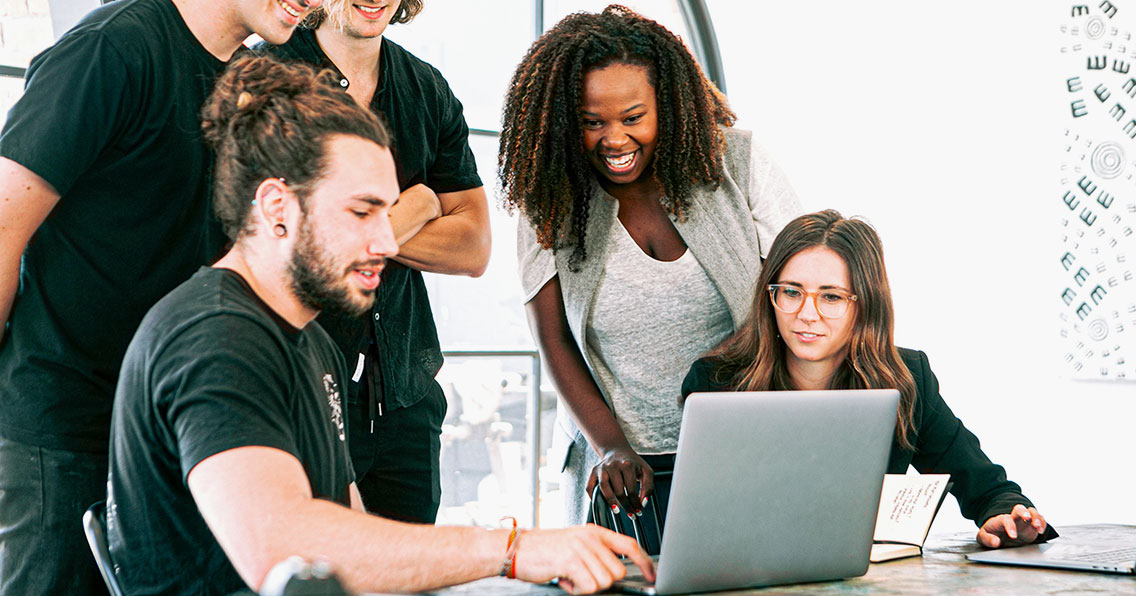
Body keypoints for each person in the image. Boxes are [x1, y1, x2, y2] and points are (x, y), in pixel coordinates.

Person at [107, 54, 652, 596]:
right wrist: (511, 550)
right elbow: (285, 551)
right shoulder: (215, 338)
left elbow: (353, 535)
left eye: (387, 211)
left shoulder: (312, 343)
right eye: (361, 212)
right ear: (276, 207)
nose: (388, 241)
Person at [0, 0, 321, 592]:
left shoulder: (250, 80)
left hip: (175, 431)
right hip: (67, 429)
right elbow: (2, 227)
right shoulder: (112, 48)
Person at [499, 5, 803, 525]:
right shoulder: (549, 197)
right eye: (592, 122)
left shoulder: (739, 162)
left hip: (746, 445)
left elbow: (798, 297)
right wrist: (611, 447)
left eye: (633, 118)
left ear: (668, 104)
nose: (614, 139)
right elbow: (554, 340)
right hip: (621, 469)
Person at [682, 209, 1058, 549]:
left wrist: (1006, 516)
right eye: (792, 292)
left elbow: (985, 486)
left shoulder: (906, 379)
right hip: (747, 572)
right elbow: (699, 518)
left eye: (831, 297)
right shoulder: (716, 383)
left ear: (864, 305)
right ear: (770, 296)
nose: (806, 314)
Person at [256, 0, 489, 524]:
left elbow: (474, 247)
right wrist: (419, 205)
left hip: (406, 397)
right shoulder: (263, 77)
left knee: (410, 565)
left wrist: (348, 229)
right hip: (299, 394)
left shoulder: (426, 88)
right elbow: (281, 238)